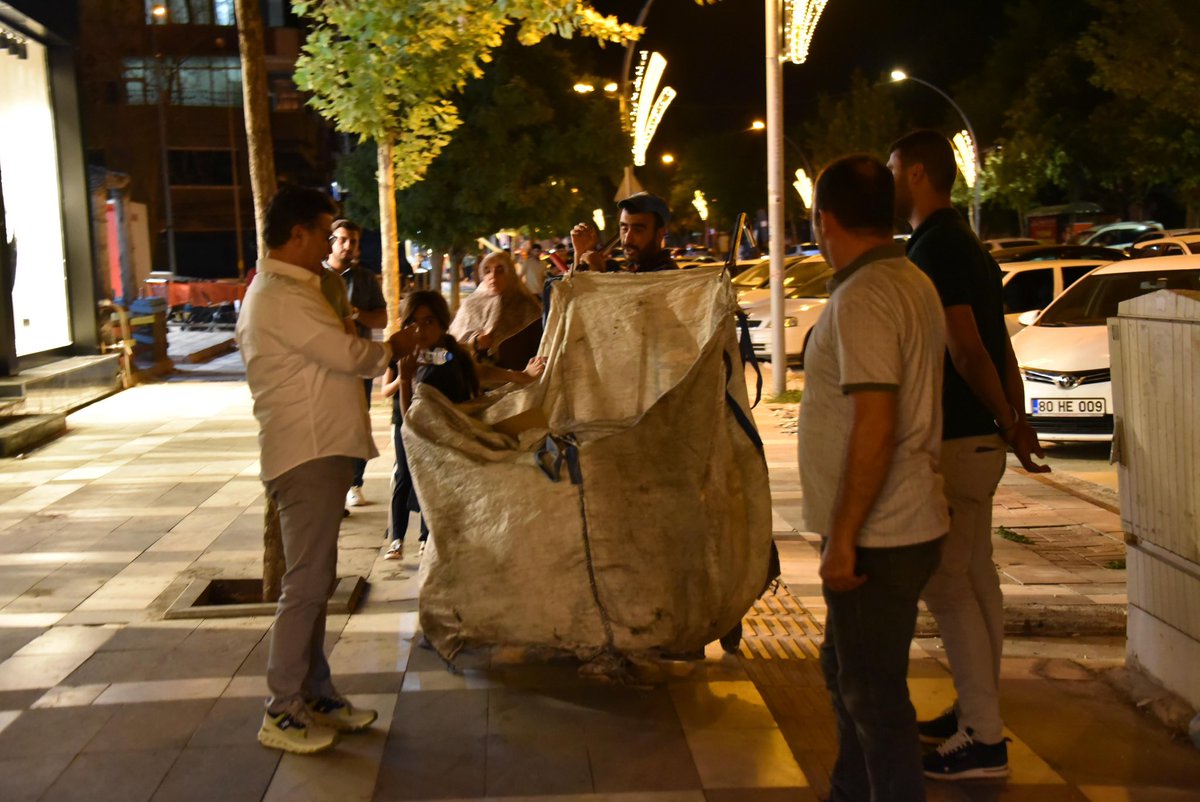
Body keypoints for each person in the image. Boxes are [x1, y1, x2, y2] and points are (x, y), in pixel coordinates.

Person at [888, 129, 1049, 781]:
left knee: (948, 584)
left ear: (918, 173)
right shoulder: (968, 244)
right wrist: (1013, 420)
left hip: (955, 438)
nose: (889, 182)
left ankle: (983, 738)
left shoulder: (936, 247)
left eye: (894, 170)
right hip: (980, 436)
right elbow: (999, 345)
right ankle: (976, 711)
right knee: (978, 579)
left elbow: (967, 347)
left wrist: (1010, 418)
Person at [236, 185, 417, 755]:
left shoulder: (293, 289)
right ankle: (282, 709)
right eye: (322, 232)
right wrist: (392, 347)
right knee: (306, 585)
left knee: (314, 581)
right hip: (305, 453)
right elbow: (346, 353)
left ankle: (315, 693)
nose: (330, 243)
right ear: (298, 234)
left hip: (317, 451)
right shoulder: (282, 295)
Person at [799, 154, 948, 802]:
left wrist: (843, 538)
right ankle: (849, 791)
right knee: (847, 670)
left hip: (880, 534)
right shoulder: (910, 278)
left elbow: (875, 424)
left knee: (872, 696)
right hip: (902, 522)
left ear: (824, 219)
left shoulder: (864, 297)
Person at [382, 290, 544, 559]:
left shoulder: (447, 355)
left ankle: (426, 541)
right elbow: (411, 419)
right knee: (406, 480)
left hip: (447, 449)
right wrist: (404, 378)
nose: (420, 330)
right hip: (418, 437)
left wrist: (520, 376)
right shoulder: (413, 356)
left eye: (428, 321)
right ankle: (398, 538)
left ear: (442, 323)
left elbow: (477, 371)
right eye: (413, 322)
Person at [326, 218, 388, 508]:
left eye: (354, 241)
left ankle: (354, 483)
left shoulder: (365, 279)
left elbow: (382, 319)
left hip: (357, 366)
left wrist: (355, 313)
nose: (348, 246)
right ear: (331, 242)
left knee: (358, 422)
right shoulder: (316, 277)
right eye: (343, 240)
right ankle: (331, 486)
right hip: (326, 365)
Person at [449, 251, 543, 374]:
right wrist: (475, 342)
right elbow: (454, 344)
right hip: (481, 377)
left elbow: (540, 347)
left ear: (510, 274)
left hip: (522, 377)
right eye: (487, 271)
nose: (492, 276)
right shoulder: (470, 305)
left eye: (500, 270)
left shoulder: (526, 306)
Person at [571, 192, 678, 274]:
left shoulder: (668, 275)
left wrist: (597, 272)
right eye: (624, 228)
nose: (627, 239)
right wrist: (581, 252)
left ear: (659, 233)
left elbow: (628, 295)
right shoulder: (625, 268)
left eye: (638, 230)